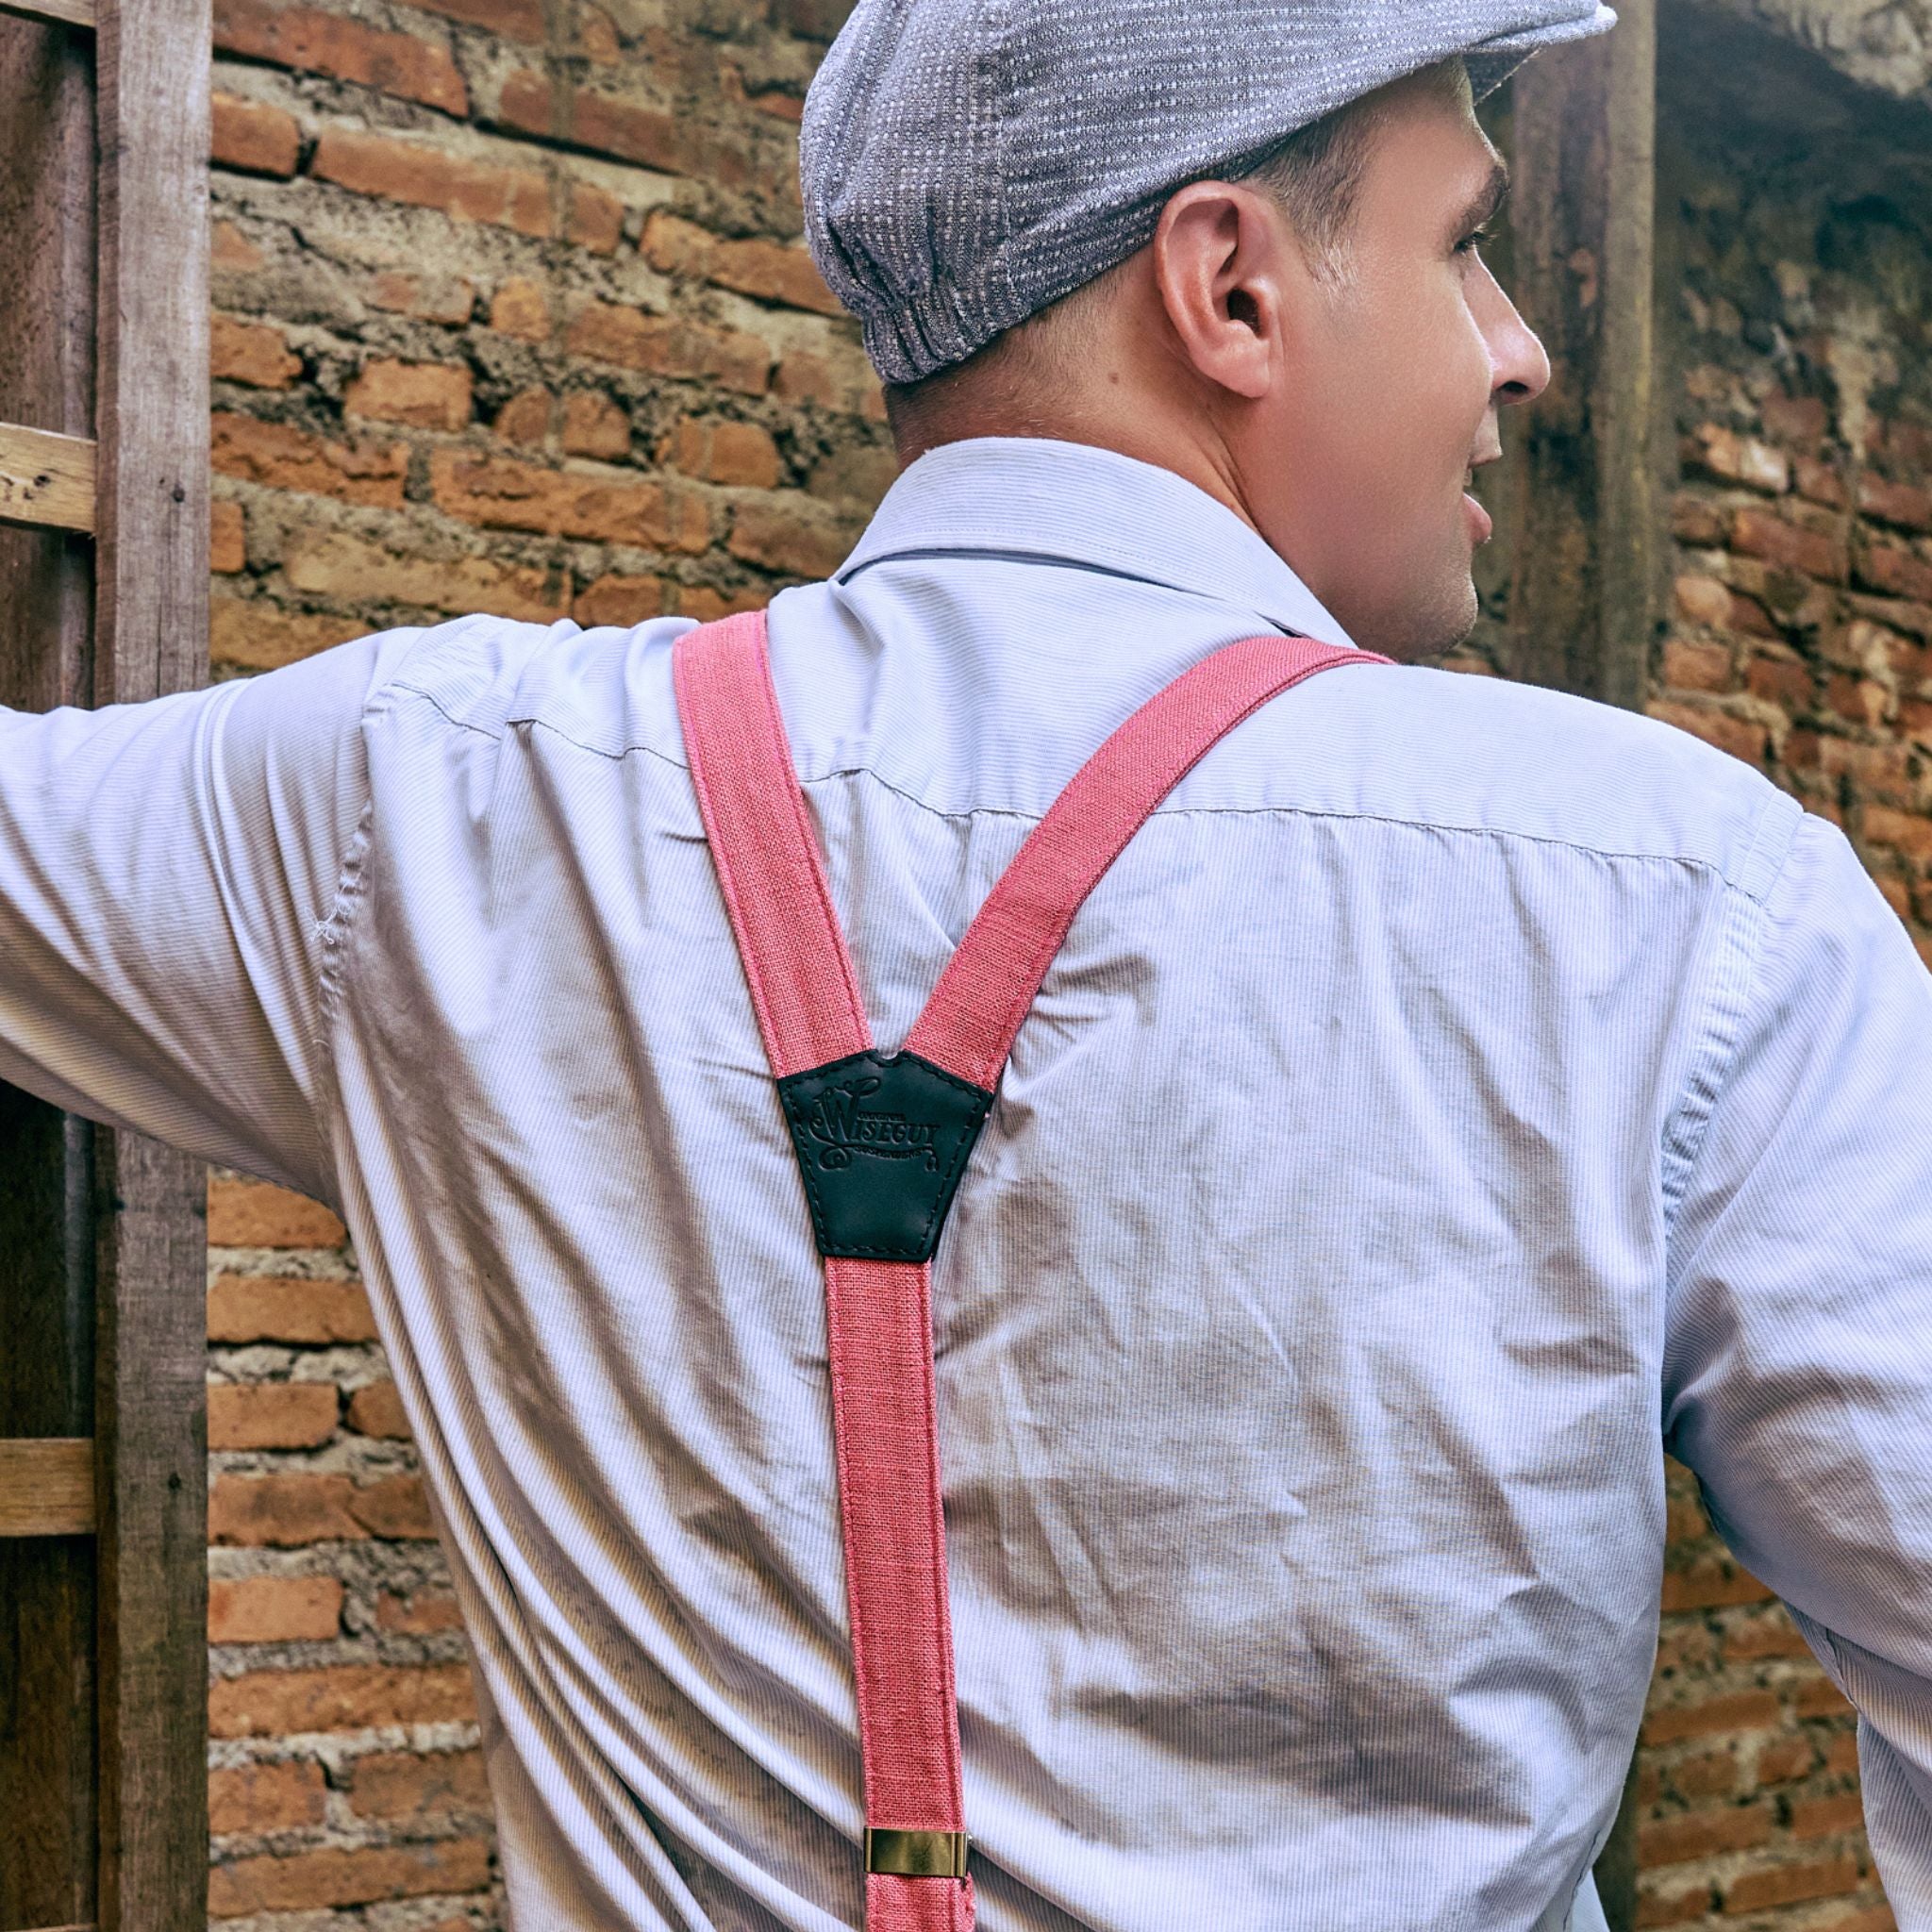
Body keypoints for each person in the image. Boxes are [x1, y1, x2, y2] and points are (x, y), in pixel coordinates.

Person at [3, 1, 1930, 1927]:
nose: (1515, 348)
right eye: (1461, 245)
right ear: (1230, 288)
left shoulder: (422, 805)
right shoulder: (1674, 898)